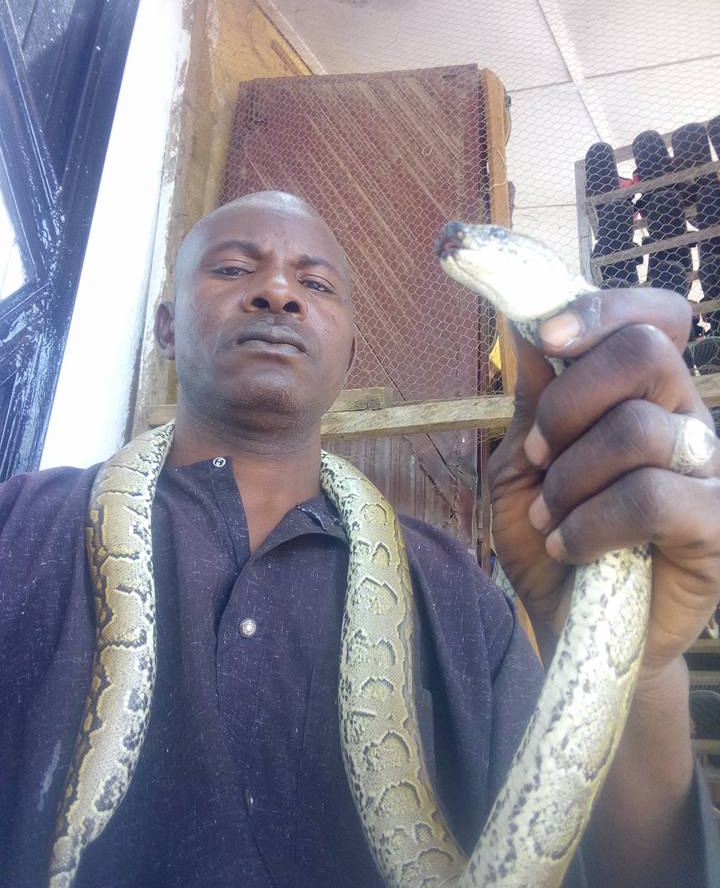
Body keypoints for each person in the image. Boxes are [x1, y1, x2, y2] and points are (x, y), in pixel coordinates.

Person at [1, 190, 719, 888]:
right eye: (232, 269)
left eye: (315, 282)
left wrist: (641, 673)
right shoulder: (19, 526)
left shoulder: (454, 593)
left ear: (350, 357)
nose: (277, 292)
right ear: (165, 327)